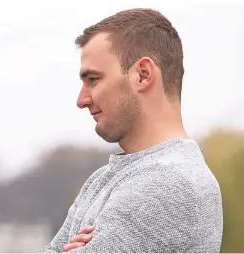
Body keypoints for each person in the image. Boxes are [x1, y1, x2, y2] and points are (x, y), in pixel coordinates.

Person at [40, 8, 223, 253]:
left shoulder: (168, 183)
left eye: (93, 79)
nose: (81, 100)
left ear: (143, 75)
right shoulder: (102, 179)